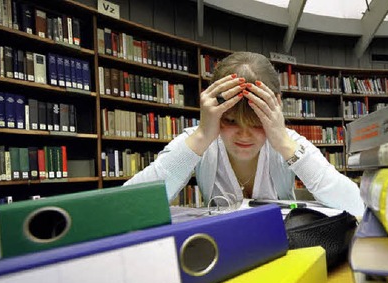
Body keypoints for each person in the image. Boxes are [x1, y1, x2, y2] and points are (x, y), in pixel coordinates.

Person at [124, 51, 365, 217]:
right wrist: (200, 138)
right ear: (213, 110)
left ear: (275, 108)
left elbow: (357, 205)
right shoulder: (198, 138)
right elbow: (126, 206)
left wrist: (283, 143)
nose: (244, 135)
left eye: (257, 123)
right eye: (229, 121)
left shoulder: (288, 141)